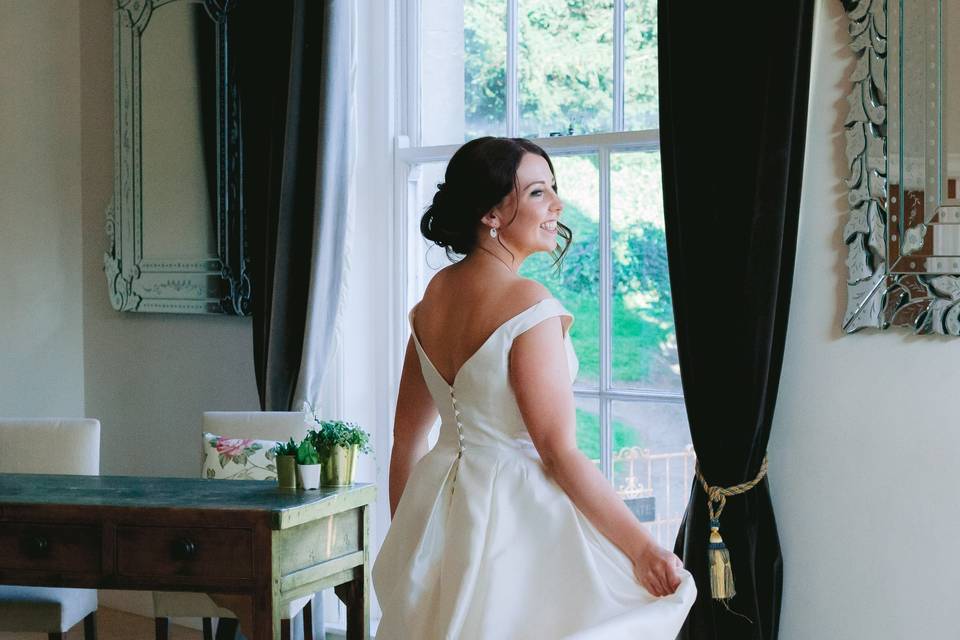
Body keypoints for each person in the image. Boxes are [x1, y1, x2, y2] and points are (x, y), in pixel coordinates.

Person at [372, 137, 695, 639]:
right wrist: (642, 547)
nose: (558, 206)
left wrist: (409, 539)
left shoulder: (433, 298)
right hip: (516, 523)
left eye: (553, 190)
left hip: (440, 509)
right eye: (539, 192)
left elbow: (406, 441)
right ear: (492, 213)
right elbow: (558, 452)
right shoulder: (527, 302)